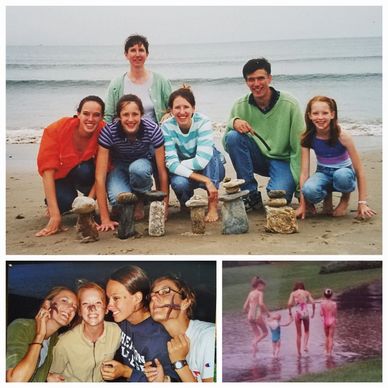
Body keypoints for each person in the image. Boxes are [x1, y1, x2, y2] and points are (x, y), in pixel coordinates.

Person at [222, 57, 304, 210]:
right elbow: (227, 144)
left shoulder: (290, 104)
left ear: (270, 78)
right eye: (251, 79)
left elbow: (299, 149)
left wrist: (301, 192)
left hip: (282, 160)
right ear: (246, 82)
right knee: (233, 137)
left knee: (279, 197)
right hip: (257, 158)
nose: (256, 84)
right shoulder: (240, 105)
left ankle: (281, 186)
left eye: (261, 78)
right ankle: (250, 194)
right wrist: (233, 122)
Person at [95, 94, 169, 231]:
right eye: (125, 115)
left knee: (138, 169)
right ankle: (132, 199)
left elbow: (162, 171)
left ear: (141, 115)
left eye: (135, 114)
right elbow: (100, 177)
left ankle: (141, 200)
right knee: (118, 200)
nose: (130, 119)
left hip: (142, 164)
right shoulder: (109, 132)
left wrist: (164, 207)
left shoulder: (152, 129)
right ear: (118, 117)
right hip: (119, 166)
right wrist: (105, 218)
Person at [296, 96, 376, 219]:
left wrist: (362, 203)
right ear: (310, 115)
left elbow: (359, 171)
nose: (320, 117)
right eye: (315, 113)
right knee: (309, 190)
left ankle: (345, 199)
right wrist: (303, 204)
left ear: (332, 114)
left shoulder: (343, 136)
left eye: (325, 113)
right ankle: (327, 197)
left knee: (342, 176)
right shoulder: (307, 137)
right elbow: (304, 173)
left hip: (344, 172)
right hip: (323, 172)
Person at [36, 96, 105, 237]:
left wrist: (87, 206)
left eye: (96, 115)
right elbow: (47, 172)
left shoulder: (104, 132)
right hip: (61, 176)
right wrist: (55, 216)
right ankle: (53, 205)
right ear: (78, 114)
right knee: (64, 202)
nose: (90, 119)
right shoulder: (56, 129)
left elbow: (103, 172)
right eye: (86, 113)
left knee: (85, 170)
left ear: (102, 117)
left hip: (86, 175)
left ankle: (88, 210)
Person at [101, 266, 179, 382]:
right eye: (109, 298)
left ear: (137, 298)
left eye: (116, 298)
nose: (109, 305)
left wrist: (126, 372)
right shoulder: (124, 320)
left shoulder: (158, 338)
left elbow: (168, 380)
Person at [162, 86, 225, 221]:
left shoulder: (203, 121)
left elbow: (201, 161)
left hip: (210, 169)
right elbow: (170, 164)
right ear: (171, 110)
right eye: (177, 108)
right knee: (179, 183)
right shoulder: (166, 127)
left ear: (193, 108)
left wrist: (176, 165)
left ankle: (213, 205)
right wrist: (204, 180)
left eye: (186, 107)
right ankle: (185, 202)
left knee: (212, 153)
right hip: (188, 174)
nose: (182, 112)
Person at [145, 275, 215, 382]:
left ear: (185, 302)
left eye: (165, 291)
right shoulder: (167, 342)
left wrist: (179, 362)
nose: (153, 298)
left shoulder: (209, 336)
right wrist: (164, 381)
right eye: (151, 296)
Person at [48, 282, 121, 382]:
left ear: (106, 309)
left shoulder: (116, 332)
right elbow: (53, 375)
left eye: (98, 303)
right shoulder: (64, 342)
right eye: (85, 303)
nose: (92, 308)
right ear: (80, 311)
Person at [6, 287, 78, 382]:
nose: (71, 308)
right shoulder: (21, 326)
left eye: (75, 307)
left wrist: (46, 376)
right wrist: (39, 335)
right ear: (47, 304)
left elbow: (34, 368)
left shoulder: (54, 339)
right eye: (64, 300)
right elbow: (15, 381)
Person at [104, 34, 171, 124]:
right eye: (133, 50)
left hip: (155, 135)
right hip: (124, 136)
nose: (137, 54)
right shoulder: (116, 84)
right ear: (126, 54)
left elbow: (175, 108)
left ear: (147, 54)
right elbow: (108, 115)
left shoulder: (161, 81)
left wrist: (169, 114)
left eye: (141, 50)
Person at [243, 276, 270, 356]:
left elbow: (244, 307)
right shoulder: (260, 293)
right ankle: (254, 343)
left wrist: (249, 312)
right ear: (259, 285)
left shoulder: (250, 293)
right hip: (256, 314)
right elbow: (261, 304)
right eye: (263, 286)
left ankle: (254, 353)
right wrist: (268, 313)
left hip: (250, 315)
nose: (264, 288)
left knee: (257, 335)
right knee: (265, 332)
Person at [287, 281, 315, 356]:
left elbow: (289, 304)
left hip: (298, 314)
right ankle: (305, 346)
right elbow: (313, 302)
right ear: (303, 286)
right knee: (307, 331)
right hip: (305, 313)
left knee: (298, 334)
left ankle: (299, 352)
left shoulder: (293, 293)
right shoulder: (306, 292)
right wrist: (313, 312)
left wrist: (290, 313)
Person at [320, 288, 337, 356]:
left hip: (325, 321)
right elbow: (335, 313)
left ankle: (326, 351)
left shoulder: (322, 303)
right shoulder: (334, 303)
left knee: (326, 337)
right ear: (331, 295)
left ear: (324, 295)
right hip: (332, 321)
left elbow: (321, 314)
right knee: (331, 337)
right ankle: (330, 353)